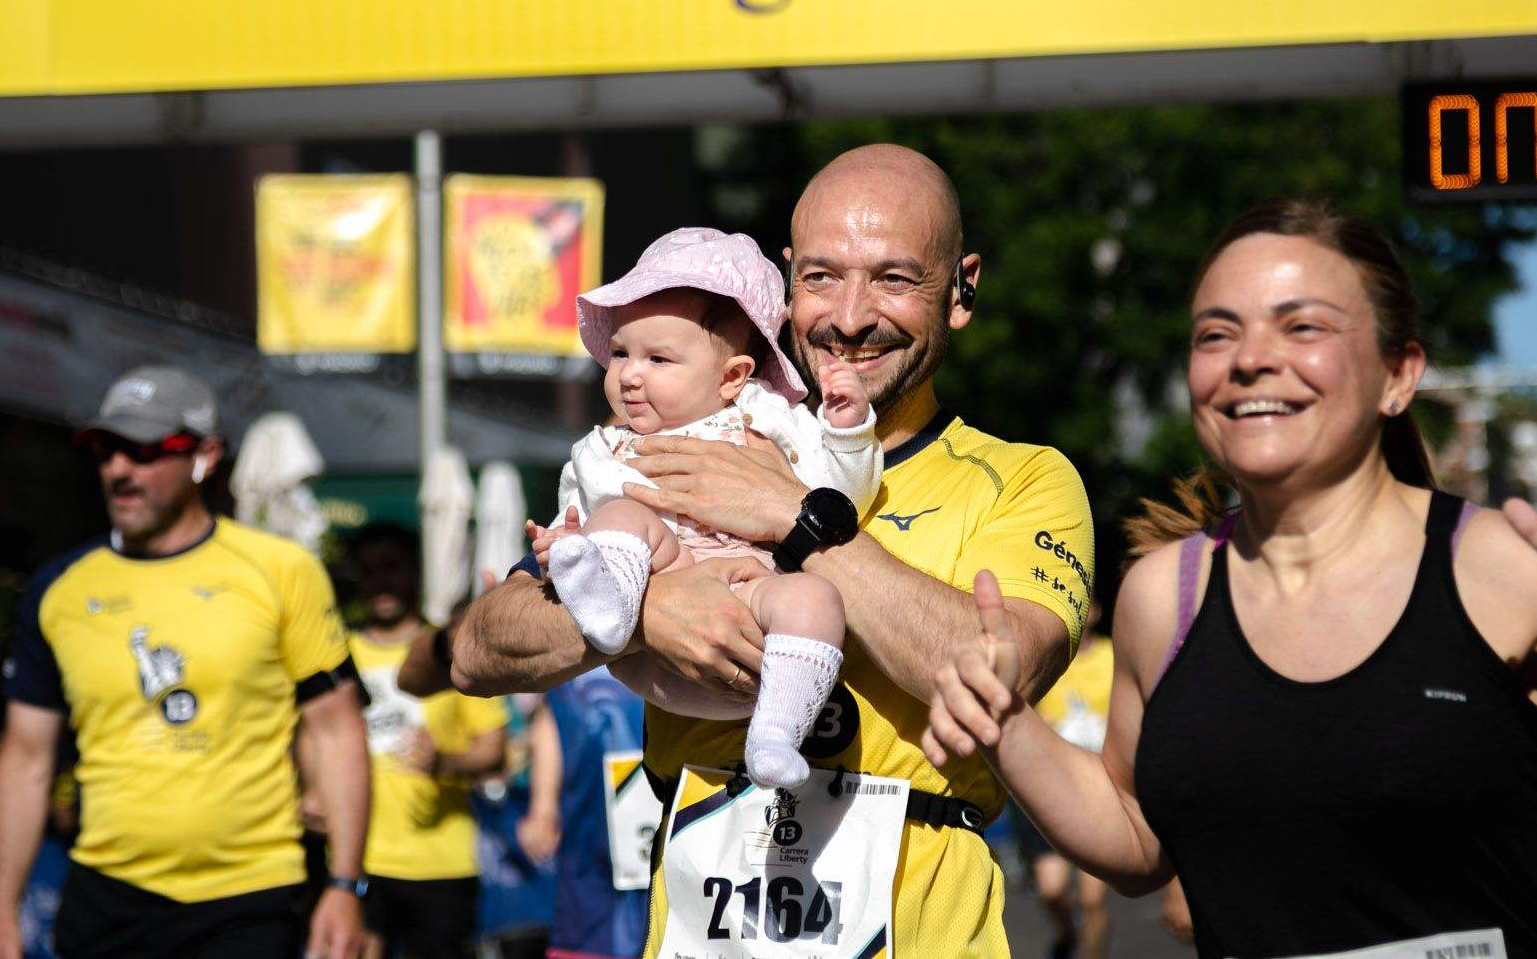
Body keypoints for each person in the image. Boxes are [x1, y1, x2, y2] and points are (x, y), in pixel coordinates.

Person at [926, 199, 1537, 959]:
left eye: (1301, 326)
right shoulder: (1169, 594)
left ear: (1398, 375)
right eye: (1215, 333)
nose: (1249, 359)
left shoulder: (1499, 566)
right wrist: (1009, 729)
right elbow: (1135, 834)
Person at [407, 144, 1094, 957]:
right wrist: (648, 609)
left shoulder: (1024, 478)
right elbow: (478, 651)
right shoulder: (681, 441)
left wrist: (798, 517)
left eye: (895, 278)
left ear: (962, 289)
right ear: (786, 279)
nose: (850, 314)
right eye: (823, 276)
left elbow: (997, 671)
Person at [0, 366, 370, 959]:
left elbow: (337, 730)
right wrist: (2, 916)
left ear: (205, 456)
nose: (118, 471)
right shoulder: (57, 589)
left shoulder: (280, 570)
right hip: (107, 899)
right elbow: (26, 759)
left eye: (143, 451)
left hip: (250, 897)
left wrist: (344, 885)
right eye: (107, 450)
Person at [530, 227, 881, 788]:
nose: (630, 374)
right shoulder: (604, 447)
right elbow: (573, 509)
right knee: (621, 517)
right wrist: (562, 544)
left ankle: (777, 735)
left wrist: (846, 434)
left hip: (751, 617)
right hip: (651, 642)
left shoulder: (769, 421)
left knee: (815, 597)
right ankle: (608, 605)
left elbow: (841, 502)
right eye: (619, 353)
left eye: (659, 358)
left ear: (733, 377)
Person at [343, 525, 507, 959]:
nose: (381, 581)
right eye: (369, 571)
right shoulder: (337, 654)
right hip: (356, 858)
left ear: (416, 572)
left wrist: (443, 762)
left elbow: (494, 749)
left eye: (392, 567)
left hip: (440, 863)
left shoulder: (450, 649)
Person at [516, 666, 650, 959]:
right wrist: (542, 807)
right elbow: (549, 715)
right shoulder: (568, 633)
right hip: (589, 820)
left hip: (664, 796)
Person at [1017, 593, 1113, 959]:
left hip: (1100, 784)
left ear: (1098, 612)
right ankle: (1067, 933)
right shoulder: (1048, 655)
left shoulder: (1112, 656)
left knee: (1092, 900)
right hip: (1051, 783)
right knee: (1052, 888)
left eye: (1088, 602)